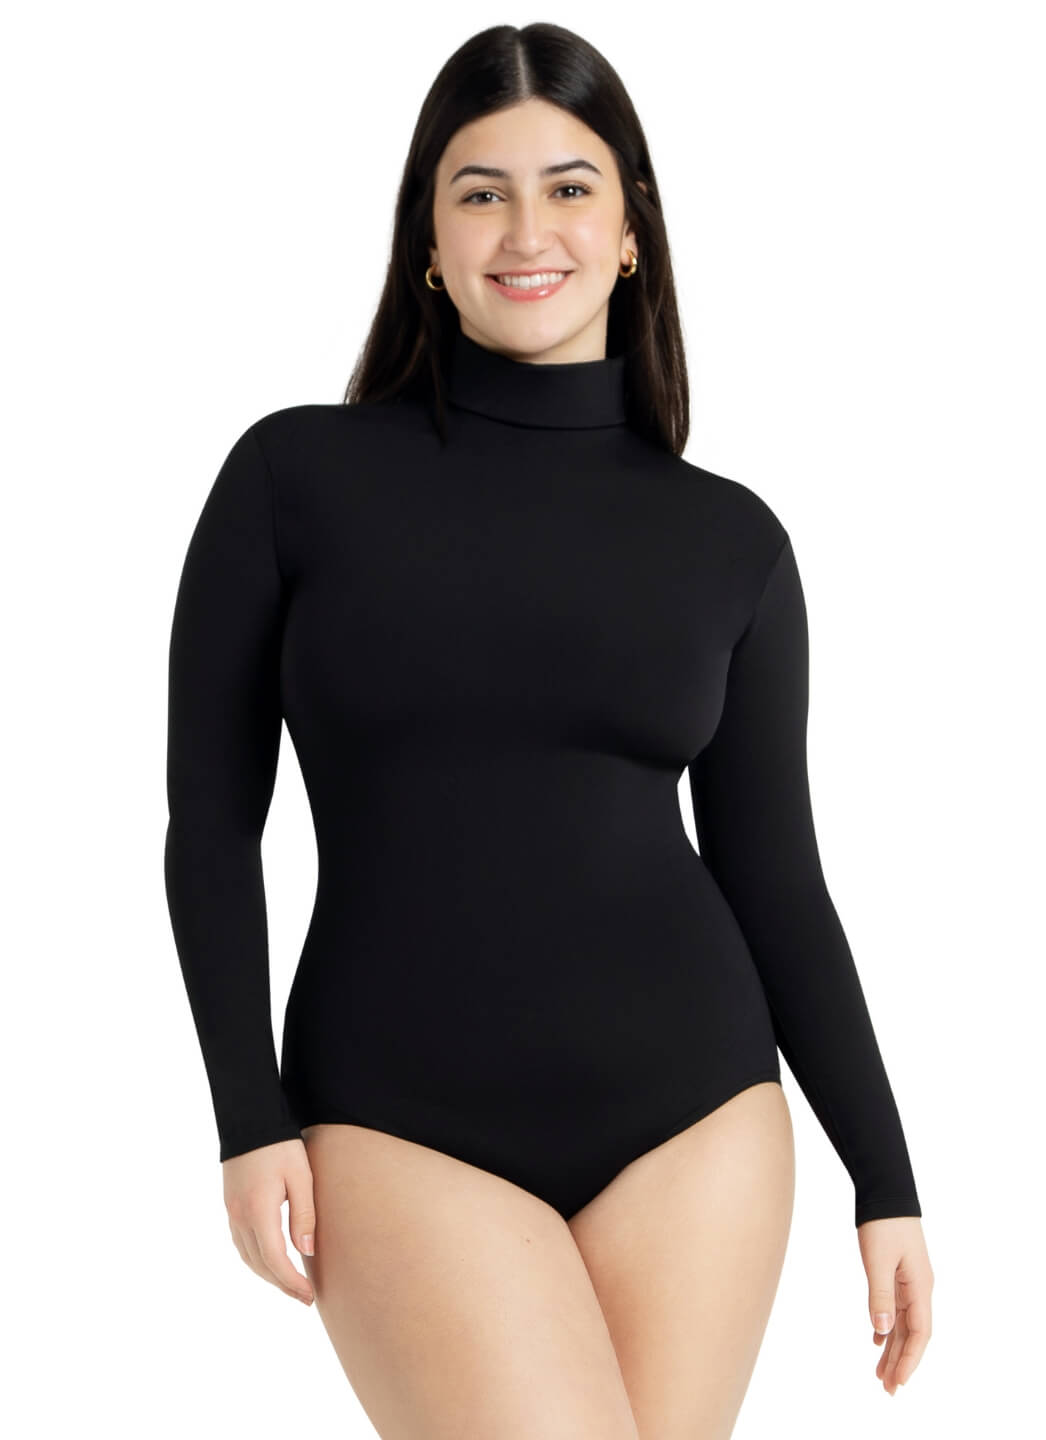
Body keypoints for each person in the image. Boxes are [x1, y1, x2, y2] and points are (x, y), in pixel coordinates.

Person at [164, 21, 934, 1437]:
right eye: (483, 192)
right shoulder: (294, 478)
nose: (529, 231)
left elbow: (775, 875)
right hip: (397, 1116)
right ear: (429, 238)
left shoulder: (732, 541)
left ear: (631, 228)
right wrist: (246, 1116)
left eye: (570, 187)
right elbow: (212, 827)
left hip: (696, 1118)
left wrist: (884, 1180)